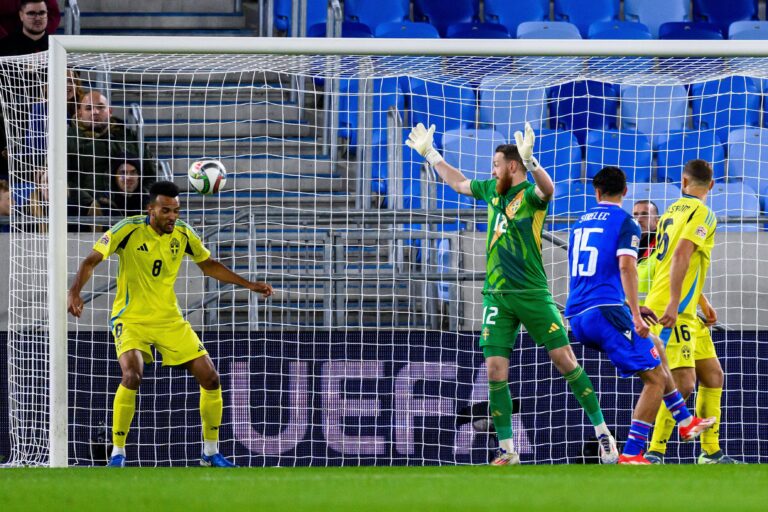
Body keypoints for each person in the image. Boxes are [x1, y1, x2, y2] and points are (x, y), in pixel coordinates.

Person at [406, 122, 618, 465]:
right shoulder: (491, 189)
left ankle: (603, 434)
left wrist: (535, 165)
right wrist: (432, 155)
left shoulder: (531, 196)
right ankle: (507, 449)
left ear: (513, 166)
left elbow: (548, 191)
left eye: (496, 164)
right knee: (494, 370)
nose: (492, 169)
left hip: (532, 292)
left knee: (565, 360)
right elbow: (459, 183)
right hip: (497, 296)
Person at [67, 181, 274, 467]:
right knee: (132, 375)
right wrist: (74, 291)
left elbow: (209, 264)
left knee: (210, 377)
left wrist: (247, 284)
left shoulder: (184, 233)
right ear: (150, 209)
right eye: (166, 210)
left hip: (170, 319)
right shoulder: (127, 229)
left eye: (176, 210)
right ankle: (117, 452)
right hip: (131, 318)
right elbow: (91, 261)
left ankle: (210, 452)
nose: (172, 217)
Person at [566, 166, 715, 464]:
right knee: (655, 379)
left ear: (596, 192)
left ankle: (685, 422)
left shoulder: (579, 222)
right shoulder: (626, 222)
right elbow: (625, 267)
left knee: (658, 350)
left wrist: (632, 307)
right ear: (625, 192)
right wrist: (634, 314)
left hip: (578, 313)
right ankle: (633, 453)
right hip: (605, 311)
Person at [642, 159, 742, 465]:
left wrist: (702, 302)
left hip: (684, 306)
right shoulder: (704, 213)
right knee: (682, 383)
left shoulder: (672, 210)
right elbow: (682, 255)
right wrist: (674, 303)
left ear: (683, 183)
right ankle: (655, 451)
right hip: (672, 309)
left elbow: (680, 264)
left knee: (713, 375)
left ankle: (710, 453)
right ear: (711, 185)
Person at [67, 90, 157, 218]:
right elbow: (64, 182)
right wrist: (90, 203)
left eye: (100, 107)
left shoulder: (129, 137)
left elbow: (150, 175)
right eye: (89, 108)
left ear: (109, 111)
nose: (95, 112)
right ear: (80, 113)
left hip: (129, 208)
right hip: (85, 211)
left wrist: (140, 198)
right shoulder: (68, 140)